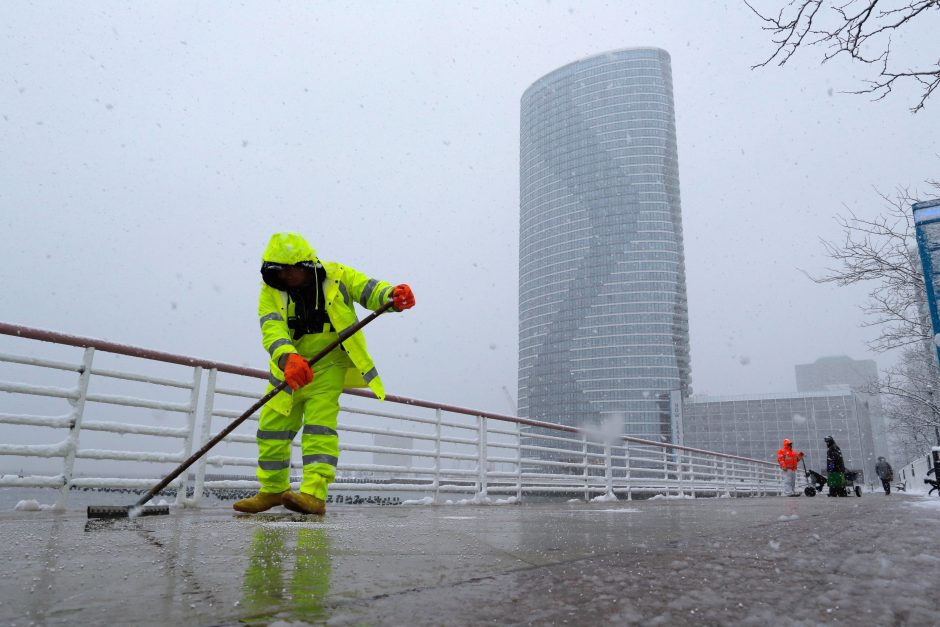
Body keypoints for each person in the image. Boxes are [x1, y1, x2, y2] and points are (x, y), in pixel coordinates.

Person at [234, 232, 415, 515]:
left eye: (292, 269)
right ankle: (272, 489)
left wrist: (392, 294)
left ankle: (314, 493)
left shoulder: (338, 276)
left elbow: (367, 290)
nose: (286, 276)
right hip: (288, 368)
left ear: (307, 266)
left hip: (329, 365)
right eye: (279, 271)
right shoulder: (270, 292)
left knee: (319, 427)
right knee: (271, 431)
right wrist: (287, 358)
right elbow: (272, 328)